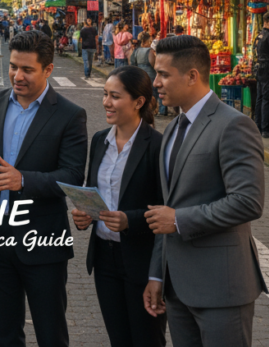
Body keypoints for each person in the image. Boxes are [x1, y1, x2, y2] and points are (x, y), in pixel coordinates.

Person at [0, 30, 88, 347]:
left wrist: (24, 181)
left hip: (43, 241)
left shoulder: (70, 115)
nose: (17, 76)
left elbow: (73, 175)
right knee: (5, 334)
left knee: (51, 333)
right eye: (14, 66)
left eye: (27, 69)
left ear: (48, 69)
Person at [144, 35, 267, 347]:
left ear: (193, 76)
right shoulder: (172, 127)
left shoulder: (233, 125)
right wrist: (157, 274)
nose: (155, 82)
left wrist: (181, 220)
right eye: (156, 73)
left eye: (163, 74)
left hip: (220, 288)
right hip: (177, 287)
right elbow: (166, 207)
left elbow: (247, 201)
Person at [71, 66, 166, 347]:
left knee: (147, 339)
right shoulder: (100, 140)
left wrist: (129, 221)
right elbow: (94, 191)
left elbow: (166, 209)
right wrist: (84, 214)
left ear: (138, 102)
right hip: (104, 259)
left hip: (142, 259)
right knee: (119, 339)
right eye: (104, 95)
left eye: (114, 96)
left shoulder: (158, 146)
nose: (106, 103)